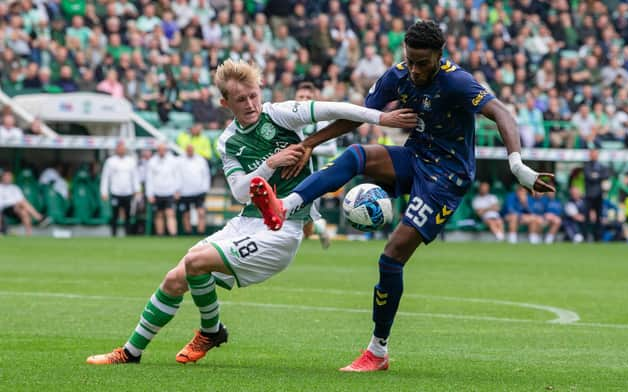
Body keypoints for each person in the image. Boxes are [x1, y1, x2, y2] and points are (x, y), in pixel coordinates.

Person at [249, 21, 554, 372]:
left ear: (439, 57)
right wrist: (308, 144)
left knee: (390, 258)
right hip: (416, 158)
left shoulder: (456, 81)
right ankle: (283, 206)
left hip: (446, 179)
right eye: (410, 60)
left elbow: (500, 111)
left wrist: (517, 165)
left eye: (422, 63)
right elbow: (358, 116)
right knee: (355, 156)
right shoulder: (399, 75)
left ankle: (377, 351)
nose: (414, 69)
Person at [86, 59, 415, 365]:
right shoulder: (228, 142)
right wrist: (271, 164)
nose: (250, 104)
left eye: (254, 96)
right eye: (240, 99)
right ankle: (132, 352)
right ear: (225, 104)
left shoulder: (279, 114)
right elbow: (240, 191)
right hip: (246, 222)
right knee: (175, 279)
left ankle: (211, 331)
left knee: (196, 261)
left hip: (282, 229)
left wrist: (380, 118)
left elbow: (335, 108)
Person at [296, 82, 336, 249]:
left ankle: (319, 226)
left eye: (308, 97)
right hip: (287, 173)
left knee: (306, 229)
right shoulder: (286, 118)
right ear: (295, 98)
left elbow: (332, 149)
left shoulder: (320, 121)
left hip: (312, 176)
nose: (304, 100)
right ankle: (320, 226)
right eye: (301, 97)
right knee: (301, 223)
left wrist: (308, 147)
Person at [100, 141, 142, 237]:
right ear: (116, 149)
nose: (121, 150)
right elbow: (105, 177)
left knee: (127, 215)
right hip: (115, 192)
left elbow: (135, 177)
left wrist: (137, 190)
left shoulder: (131, 161)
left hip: (128, 192)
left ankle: (128, 234)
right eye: (119, 148)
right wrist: (104, 191)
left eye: (122, 148)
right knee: (114, 215)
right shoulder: (110, 161)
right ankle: (114, 234)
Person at [146, 142, 181, 236]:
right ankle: (160, 234)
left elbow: (177, 176)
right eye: (159, 149)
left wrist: (177, 190)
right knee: (159, 214)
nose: (161, 151)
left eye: (163, 149)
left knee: (170, 213)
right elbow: (149, 179)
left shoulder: (173, 160)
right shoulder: (152, 161)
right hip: (157, 192)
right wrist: (150, 194)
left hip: (170, 191)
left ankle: (173, 234)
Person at [0, 171, 47, 236]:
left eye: (9, 177)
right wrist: (14, 203)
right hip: (4, 209)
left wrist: (16, 205)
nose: (8, 179)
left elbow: (21, 199)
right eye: (6, 177)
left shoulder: (15, 188)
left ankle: (28, 234)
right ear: (2, 178)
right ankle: (39, 217)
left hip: (16, 208)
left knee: (24, 212)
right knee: (22, 202)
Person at [177, 144, 210, 235]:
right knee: (186, 214)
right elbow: (176, 176)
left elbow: (206, 175)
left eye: (191, 149)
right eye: (188, 150)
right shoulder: (180, 160)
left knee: (201, 213)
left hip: (199, 191)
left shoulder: (201, 160)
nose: (189, 151)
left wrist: (205, 188)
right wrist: (177, 190)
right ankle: (188, 232)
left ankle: (201, 232)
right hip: (184, 192)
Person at [583, 149, 610, 242]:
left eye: (595, 154)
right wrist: (598, 176)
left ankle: (598, 237)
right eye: (592, 154)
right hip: (589, 195)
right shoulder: (586, 165)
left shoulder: (602, 166)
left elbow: (606, 175)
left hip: (599, 195)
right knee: (587, 217)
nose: (594, 156)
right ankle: (585, 236)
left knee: (599, 217)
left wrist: (595, 175)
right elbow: (589, 176)